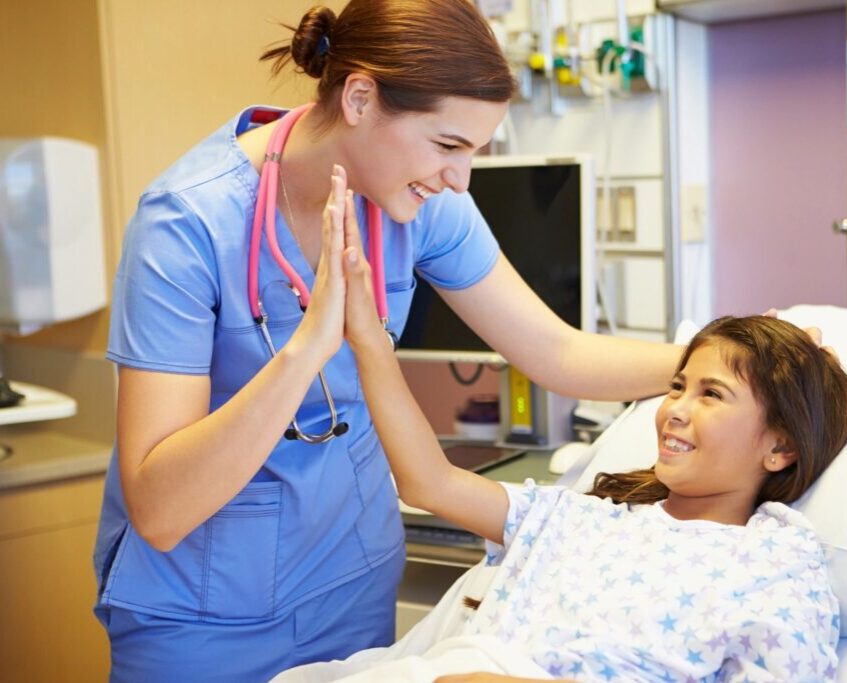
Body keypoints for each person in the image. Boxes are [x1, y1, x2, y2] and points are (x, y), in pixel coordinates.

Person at [92, 1, 689, 681]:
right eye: (448, 146)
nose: (461, 178)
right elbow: (160, 509)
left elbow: (557, 352)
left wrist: (725, 357)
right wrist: (307, 348)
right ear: (359, 98)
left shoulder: (422, 207)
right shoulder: (187, 224)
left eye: (474, 151)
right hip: (199, 614)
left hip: (350, 584)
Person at [317, 230, 847, 682]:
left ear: (780, 446)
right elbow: (429, 484)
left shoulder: (774, 565)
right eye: (677, 386)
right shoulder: (580, 518)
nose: (674, 409)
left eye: (711, 394)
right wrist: (367, 338)